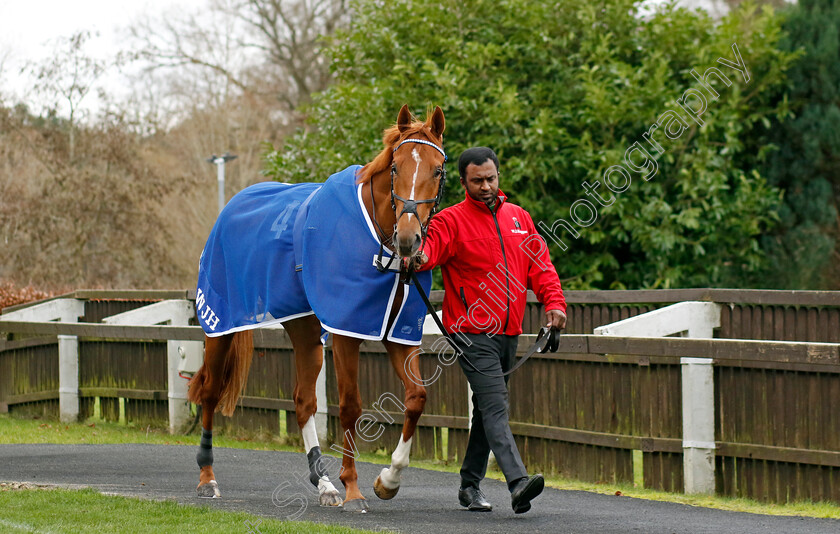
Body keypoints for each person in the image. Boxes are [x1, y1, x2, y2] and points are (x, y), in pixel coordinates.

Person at [415, 146, 567, 514]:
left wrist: (555, 304)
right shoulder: (449, 221)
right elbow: (429, 253)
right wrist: (415, 254)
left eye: (491, 178)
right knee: (496, 403)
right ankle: (518, 482)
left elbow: (540, 267)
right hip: (469, 332)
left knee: (486, 409)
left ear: (498, 176)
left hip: (509, 331)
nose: (485, 186)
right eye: (477, 180)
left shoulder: (520, 218)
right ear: (464, 182)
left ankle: (469, 485)